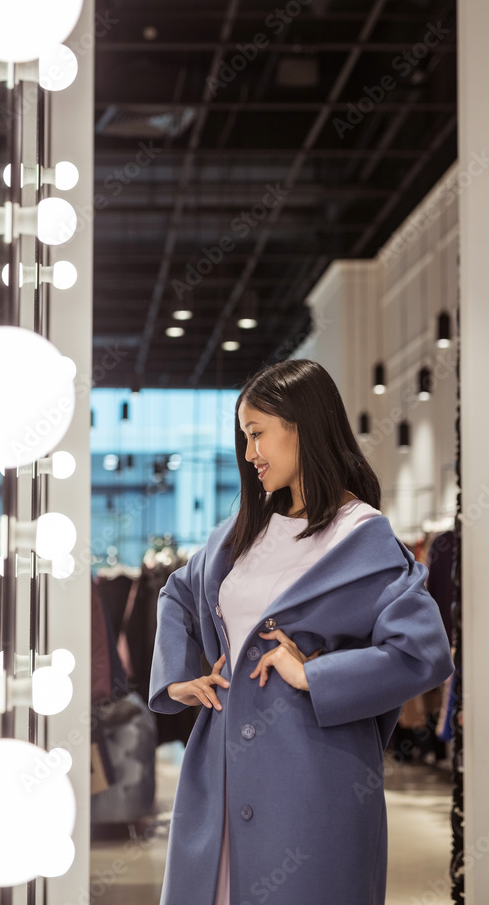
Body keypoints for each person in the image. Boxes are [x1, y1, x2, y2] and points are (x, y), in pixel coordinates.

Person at [148, 359, 454, 905]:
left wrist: (316, 673)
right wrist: (178, 678)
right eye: (245, 437)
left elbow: (423, 653)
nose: (249, 454)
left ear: (302, 425)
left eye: (257, 433)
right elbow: (176, 592)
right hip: (217, 775)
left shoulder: (364, 538)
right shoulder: (242, 531)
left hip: (313, 781)